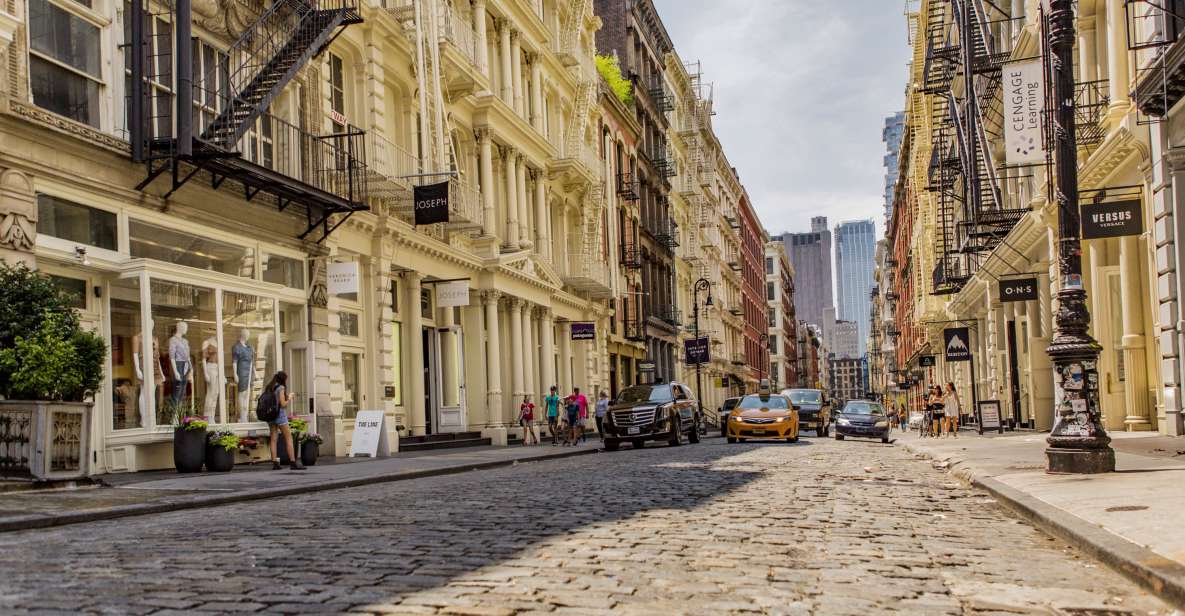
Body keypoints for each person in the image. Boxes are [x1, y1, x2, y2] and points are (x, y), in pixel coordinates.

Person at [265, 371, 305, 470]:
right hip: (280, 416)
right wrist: (290, 398)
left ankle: (275, 463)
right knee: (289, 438)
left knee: (273, 439)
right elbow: (283, 404)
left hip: (270, 416)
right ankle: (293, 462)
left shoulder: (269, 387)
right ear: (283, 379)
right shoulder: (281, 388)